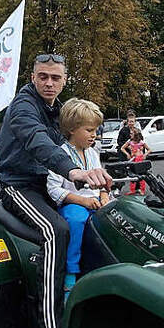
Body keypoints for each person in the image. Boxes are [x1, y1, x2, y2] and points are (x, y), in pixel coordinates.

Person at [0, 54, 112, 328]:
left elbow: (77, 135)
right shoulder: (24, 106)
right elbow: (36, 139)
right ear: (33, 77)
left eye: (55, 77)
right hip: (20, 185)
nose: (49, 82)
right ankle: (50, 327)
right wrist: (72, 170)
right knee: (56, 231)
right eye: (43, 76)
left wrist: (99, 174)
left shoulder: (57, 109)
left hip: (49, 183)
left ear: (64, 80)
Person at [46, 98, 107, 302]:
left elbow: (102, 180)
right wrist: (82, 201)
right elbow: (54, 189)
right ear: (72, 129)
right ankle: (70, 275)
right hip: (74, 205)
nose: (94, 135)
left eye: (95, 130)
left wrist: (105, 194)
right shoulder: (60, 155)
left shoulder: (93, 153)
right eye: (89, 130)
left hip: (96, 202)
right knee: (76, 220)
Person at [122, 129, 151, 194]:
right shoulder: (130, 141)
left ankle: (142, 190)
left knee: (141, 175)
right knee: (132, 175)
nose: (130, 135)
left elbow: (149, 149)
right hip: (133, 160)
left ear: (135, 135)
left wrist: (145, 155)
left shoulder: (141, 142)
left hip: (140, 159)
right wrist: (127, 154)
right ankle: (132, 190)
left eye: (131, 134)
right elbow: (122, 148)